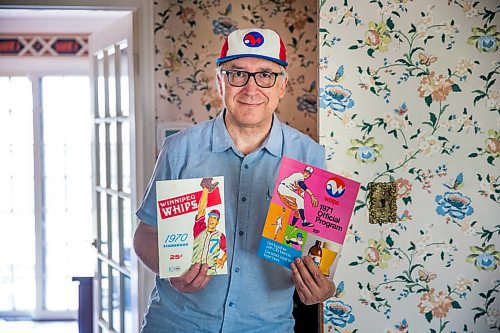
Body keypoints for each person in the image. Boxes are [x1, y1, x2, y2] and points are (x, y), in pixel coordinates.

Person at [133, 27, 335, 332]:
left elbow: (319, 251)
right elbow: (145, 235)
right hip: (177, 324)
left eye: (266, 75)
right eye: (237, 74)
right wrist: (169, 267)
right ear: (220, 82)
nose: (251, 89)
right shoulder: (179, 150)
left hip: (266, 327)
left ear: (282, 85)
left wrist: (322, 287)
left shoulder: (309, 157)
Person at [192, 177, 227, 274]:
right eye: (210, 217)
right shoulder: (199, 229)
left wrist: (223, 259)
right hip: (193, 271)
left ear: (217, 222)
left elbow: (228, 250)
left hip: (211, 271)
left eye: (214, 218)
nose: (211, 219)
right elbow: (201, 210)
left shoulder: (220, 236)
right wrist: (205, 190)